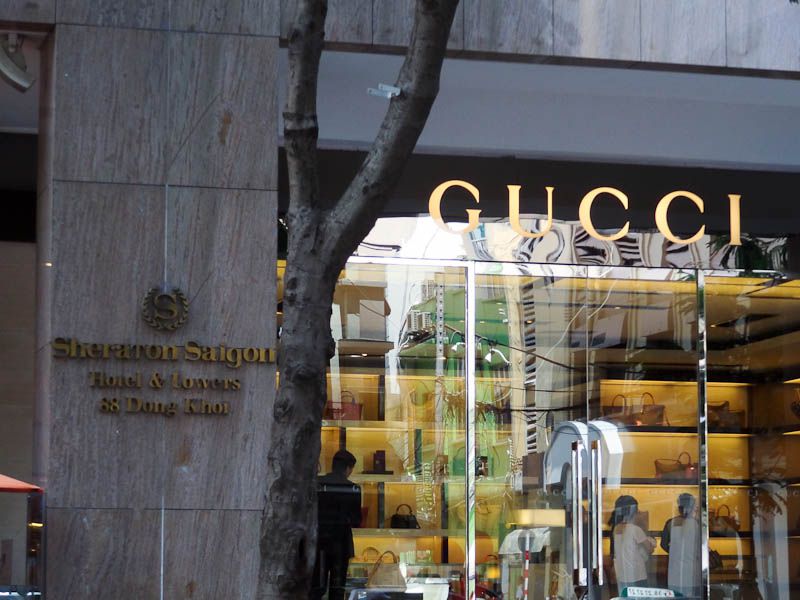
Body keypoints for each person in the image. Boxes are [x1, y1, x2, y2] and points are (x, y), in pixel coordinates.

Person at [312, 450, 363, 600]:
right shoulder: (353, 489)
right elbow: (356, 520)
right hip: (341, 544)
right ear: (348, 468)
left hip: (319, 542)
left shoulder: (317, 483)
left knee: (316, 587)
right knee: (337, 589)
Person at [609, 495, 656, 594]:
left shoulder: (616, 529)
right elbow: (649, 549)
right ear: (633, 511)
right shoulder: (635, 529)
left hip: (623, 575)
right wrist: (652, 542)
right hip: (637, 575)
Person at [661, 493, 701, 598]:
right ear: (692, 507)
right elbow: (701, 546)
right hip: (693, 571)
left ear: (679, 506)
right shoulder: (698, 524)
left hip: (674, 571)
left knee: (676, 596)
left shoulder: (670, 523)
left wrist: (674, 552)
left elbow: (663, 544)